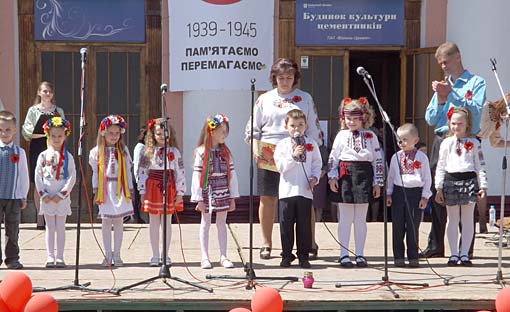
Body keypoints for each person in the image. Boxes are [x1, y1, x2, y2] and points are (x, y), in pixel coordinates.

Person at [244, 58, 322, 260]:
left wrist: (310, 153)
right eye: (281, 77)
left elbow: (313, 129)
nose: (285, 81)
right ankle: (267, 243)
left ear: (295, 78)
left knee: (304, 199)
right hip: (270, 151)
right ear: (274, 78)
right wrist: (255, 147)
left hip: (298, 151)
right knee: (268, 198)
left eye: (289, 77)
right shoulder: (265, 99)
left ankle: (309, 242)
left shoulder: (305, 98)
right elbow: (253, 129)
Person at [422, 42, 487, 257]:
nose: (444, 67)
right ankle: (436, 245)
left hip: (467, 140)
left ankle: (464, 249)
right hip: (443, 140)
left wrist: (452, 94)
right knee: (438, 190)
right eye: (440, 64)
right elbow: (430, 118)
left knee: (467, 193)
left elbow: (475, 113)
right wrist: (441, 100)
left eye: (446, 62)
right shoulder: (444, 83)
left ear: (458, 57)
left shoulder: (476, 83)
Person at [328, 97, 383, 268]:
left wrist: (377, 182)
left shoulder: (371, 135)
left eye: (355, 118)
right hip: (345, 176)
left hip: (364, 176)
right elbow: (333, 158)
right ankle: (343, 254)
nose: (351, 121)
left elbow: (378, 160)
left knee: (360, 218)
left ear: (364, 117)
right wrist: (332, 177)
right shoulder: (341, 135)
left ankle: (360, 254)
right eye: (348, 118)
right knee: (344, 218)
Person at [435, 107, 487, 266]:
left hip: (469, 180)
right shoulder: (445, 142)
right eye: (453, 123)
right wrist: (439, 186)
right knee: (452, 219)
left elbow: (480, 166)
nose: (456, 127)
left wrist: (483, 185)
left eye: (460, 124)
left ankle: (464, 253)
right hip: (451, 180)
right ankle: (453, 254)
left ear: (467, 124)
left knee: (467, 219)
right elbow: (441, 165)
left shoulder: (474, 143)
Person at [274, 109, 322, 268]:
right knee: (286, 224)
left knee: (304, 225)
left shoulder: (311, 144)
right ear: (286, 126)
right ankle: (286, 255)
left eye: (300, 125)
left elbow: (316, 163)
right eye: (293, 125)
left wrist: (314, 178)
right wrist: (294, 156)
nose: (296, 128)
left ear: (306, 126)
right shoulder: (282, 145)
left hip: (305, 191)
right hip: (287, 191)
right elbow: (280, 166)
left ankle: (303, 255)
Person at [191, 114, 239, 269]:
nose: (224, 135)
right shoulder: (201, 152)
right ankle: (205, 256)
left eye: (226, 131)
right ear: (211, 132)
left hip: (222, 189)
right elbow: (197, 175)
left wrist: (232, 196)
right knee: (205, 223)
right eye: (221, 131)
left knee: (221, 223)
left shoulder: (226, 153)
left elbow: (231, 175)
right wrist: (199, 198)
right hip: (207, 189)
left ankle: (223, 255)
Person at [138, 118, 185, 267]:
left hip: (169, 186)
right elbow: (142, 172)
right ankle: (155, 254)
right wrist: (142, 191)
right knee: (153, 222)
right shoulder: (147, 152)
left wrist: (180, 192)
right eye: (158, 133)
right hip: (153, 187)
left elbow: (180, 172)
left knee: (167, 222)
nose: (162, 137)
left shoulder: (174, 152)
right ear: (153, 135)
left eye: (165, 133)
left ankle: (165, 254)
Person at [89, 115, 134, 267]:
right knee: (106, 221)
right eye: (110, 133)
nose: (114, 136)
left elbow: (127, 170)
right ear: (103, 133)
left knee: (119, 222)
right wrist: (96, 190)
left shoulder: (123, 150)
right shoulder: (96, 152)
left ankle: (118, 254)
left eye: (117, 133)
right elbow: (95, 172)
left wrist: (130, 190)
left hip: (120, 188)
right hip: (105, 189)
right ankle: (107, 254)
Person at [386, 123, 432, 268]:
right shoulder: (395, 157)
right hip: (399, 192)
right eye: (399, 140)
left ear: (415, 140)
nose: (402, 143)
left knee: (413, 226)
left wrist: (425, 196)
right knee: (398, 226)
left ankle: (413, 256)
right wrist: (389, 193)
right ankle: (398, 256)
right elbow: (391, 177)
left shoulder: (421, 157)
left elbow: (427, 178)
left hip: (415, 193)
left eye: (405, 140)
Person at [22, 81, 65, 229]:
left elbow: (64, 129)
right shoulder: (33, 111)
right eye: (45, 91)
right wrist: (45, 133)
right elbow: (26, 133)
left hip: (55, 148)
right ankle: (40, 217)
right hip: (38, 146)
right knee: (38, 181)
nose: (47, 94)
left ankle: (53, 215)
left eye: (50, 91)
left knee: (54, 179)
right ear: (39, 93)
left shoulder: (58, 110)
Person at [35, 117, 76, 268]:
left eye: (60, 136)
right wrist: (43, 194)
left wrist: (62, 193)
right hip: (47, 197)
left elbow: (72, 176)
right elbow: (37, 175)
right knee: (49, 227)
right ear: (48, 136)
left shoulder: (68, 156)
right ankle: (50, 256)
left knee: (61, 227)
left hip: (61, 198)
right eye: (53, 136)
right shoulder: (43, 156)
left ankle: (60, 256)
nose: (57, 139)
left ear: (65, 135)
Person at [0, 111, 29, 269]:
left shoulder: (19, 152)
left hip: (13, 197)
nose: (4, 133)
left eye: (8, 130)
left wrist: (23, 196)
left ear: (14, 130)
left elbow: (23, 175)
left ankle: (12, 258)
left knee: (13, 229)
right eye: (1, 130)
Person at [131, 126, 148, 224]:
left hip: (144, 176)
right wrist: (137, 178)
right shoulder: (140, 147)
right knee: (137, 199)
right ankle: (136, 218)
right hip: (138, 175)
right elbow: (137, 163)